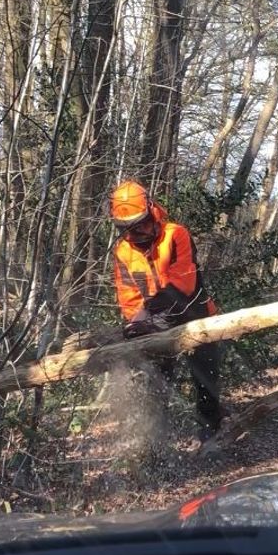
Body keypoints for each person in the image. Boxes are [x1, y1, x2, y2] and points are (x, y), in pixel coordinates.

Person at [110, 180, 225, 441]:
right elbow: (128, 296)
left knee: (206, 383)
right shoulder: (123, 251)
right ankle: (157, 445)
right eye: (127, 228)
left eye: (139, 224)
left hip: (196, 317)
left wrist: (149, 312)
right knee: (156, 386)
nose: (135, 232)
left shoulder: (175, 235)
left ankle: (211, 438)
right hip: (155, 326)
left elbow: (184, 283)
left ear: (151, 211)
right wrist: (136, 323)